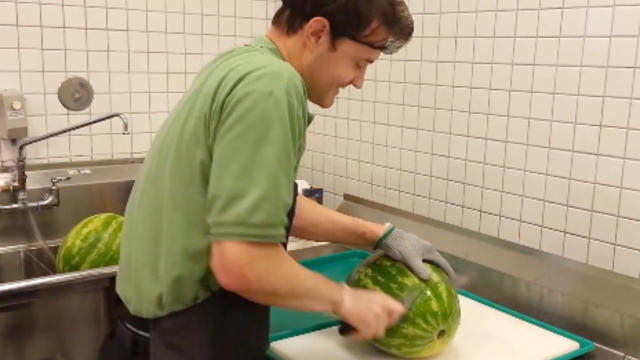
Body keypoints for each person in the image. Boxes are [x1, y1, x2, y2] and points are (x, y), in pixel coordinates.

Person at [114, 0, 455, 359]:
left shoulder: (241, 64)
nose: (358, 82)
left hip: (147, 329)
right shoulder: (274, 86)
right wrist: (347, 301)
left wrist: (379, 235)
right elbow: (242, 263)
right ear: (318, 32)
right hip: (191, 334)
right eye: (360, 63)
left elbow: (262, 205)